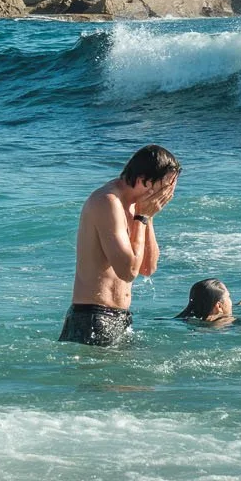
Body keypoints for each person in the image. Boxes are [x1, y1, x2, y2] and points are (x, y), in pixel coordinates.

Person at [59, 143, 180, 346]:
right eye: (166, 186)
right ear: (143, 181)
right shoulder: (107, 201)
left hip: (120, 317)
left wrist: (147, 218)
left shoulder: (137, 206)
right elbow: (127, 270)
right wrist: (142, 217)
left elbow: (147, 268)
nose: (168, 194)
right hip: (93, 317)